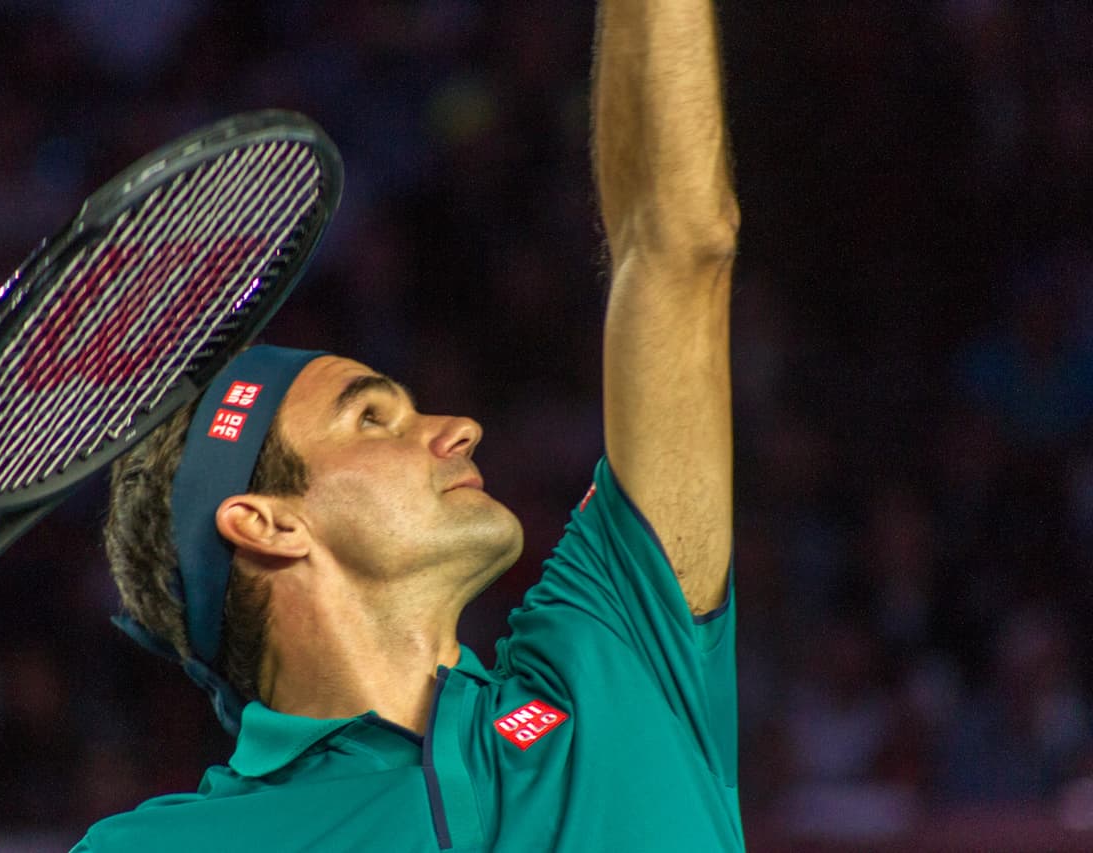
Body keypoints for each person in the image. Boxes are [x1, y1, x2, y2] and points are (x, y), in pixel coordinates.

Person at [74, 0, 741, 848]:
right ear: (267, 522)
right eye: (371, 417)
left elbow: (677, 243)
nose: (459, 427)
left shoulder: (620, 645)